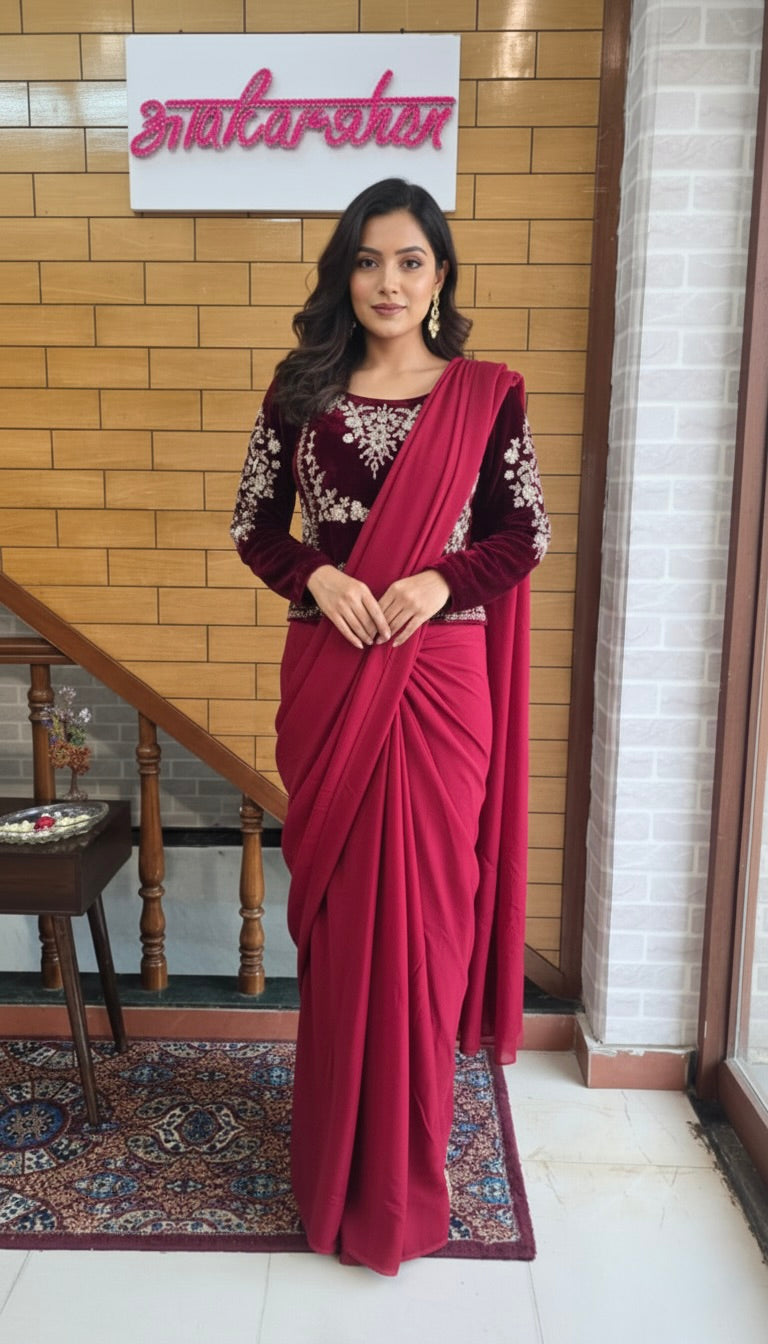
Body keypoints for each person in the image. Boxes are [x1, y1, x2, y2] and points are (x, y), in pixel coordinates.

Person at [231, 178, 550, 1276]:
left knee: (428, 921)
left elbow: (524, 534)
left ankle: (410, 1173)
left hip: (442, 679)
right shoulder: (299, 389)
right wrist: (316, 576)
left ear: (440, 276)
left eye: (410, 261)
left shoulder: (485, 395)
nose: (388, 282)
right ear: (343, 273)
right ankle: (335, 1169)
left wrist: (439, 579)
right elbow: (255, 529)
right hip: (331, 677)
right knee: (350, 919)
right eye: (369, 261)